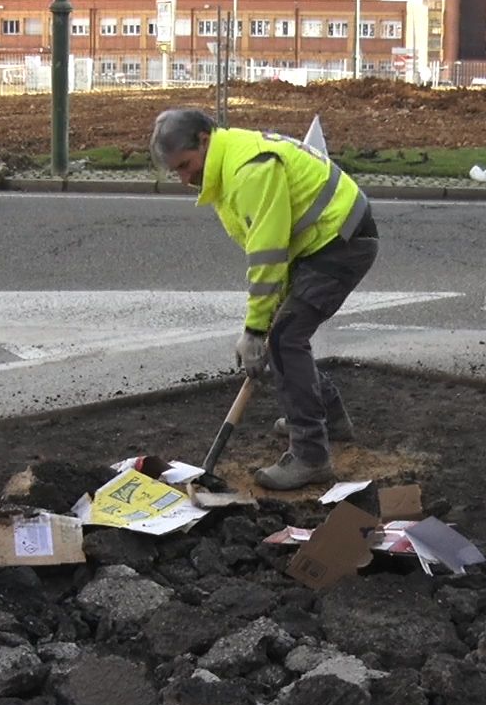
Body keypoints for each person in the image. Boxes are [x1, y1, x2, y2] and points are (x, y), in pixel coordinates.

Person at [151, 108, 378, 489]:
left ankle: (311, 456)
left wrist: (255, 329)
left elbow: (267, 252)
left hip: (342, 242)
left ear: (205, 141)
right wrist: (264, 320)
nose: (185, 178)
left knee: (285, 339)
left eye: (187, 165)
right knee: (283, 336)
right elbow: (274, 246)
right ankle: (330, 419)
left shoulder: (247, 170)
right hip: (319, 244)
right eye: (177, 171)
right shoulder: (229, 165)